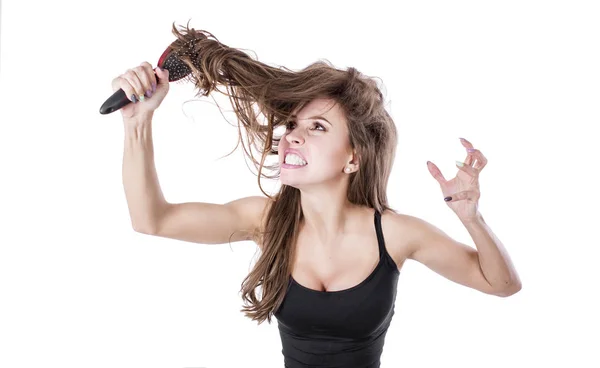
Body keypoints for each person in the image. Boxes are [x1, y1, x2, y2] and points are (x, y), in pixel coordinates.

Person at [114, 23, 522, 368]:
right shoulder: (266, 220)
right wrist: (137, 123)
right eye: (293, 124)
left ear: (353, 159)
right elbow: (152, 220)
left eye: (318, 128)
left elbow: (501, 285)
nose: (292, 135)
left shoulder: (395, 234)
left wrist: (471, 217)